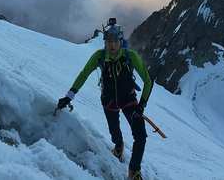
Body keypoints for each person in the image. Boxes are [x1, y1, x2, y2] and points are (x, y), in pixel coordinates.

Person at [57, 19, 153, 180]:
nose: (113, 45)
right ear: (105, 42)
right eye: (109, 41)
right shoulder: (99, 56)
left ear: (121, 42)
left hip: (128, 99)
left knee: (141, 135)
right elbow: (84, 74)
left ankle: (134, 170)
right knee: (114, 131)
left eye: (116, 41)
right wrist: (69, 95)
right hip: (109, 99)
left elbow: (148, 80)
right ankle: (118, 145)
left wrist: (141, 105)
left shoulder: (130, 56)